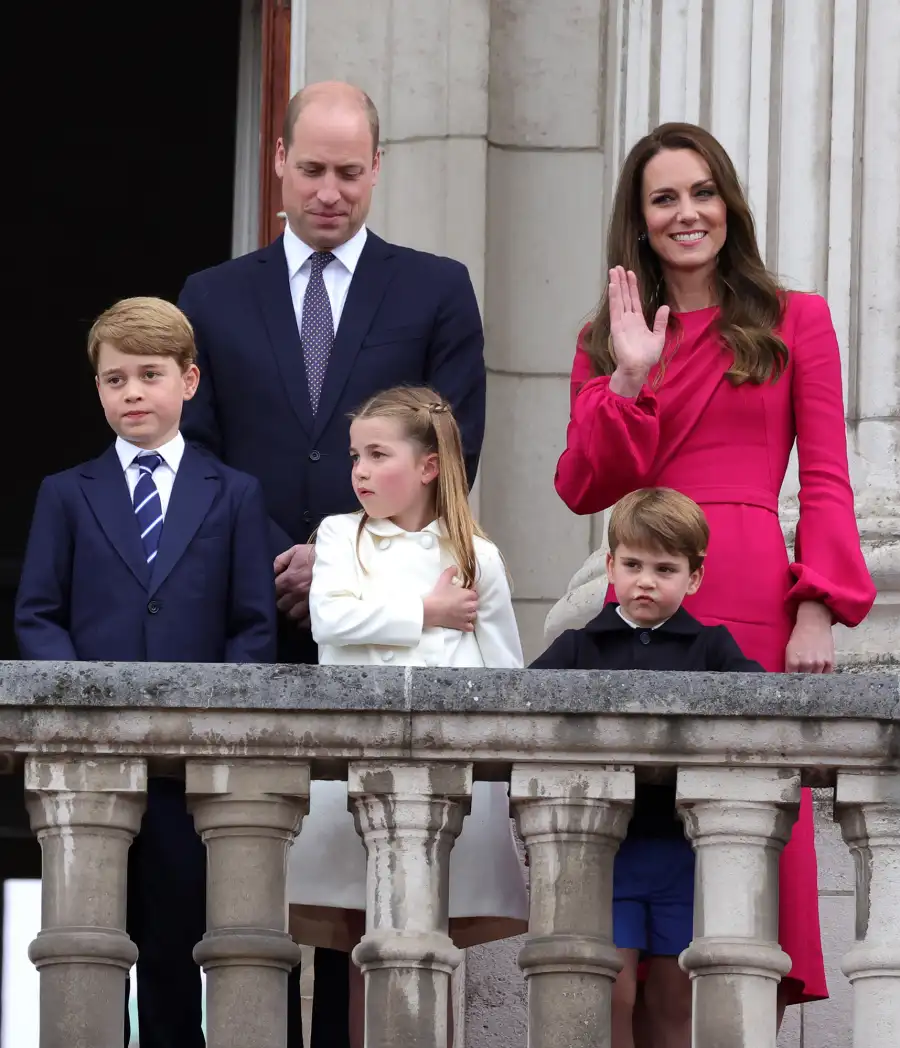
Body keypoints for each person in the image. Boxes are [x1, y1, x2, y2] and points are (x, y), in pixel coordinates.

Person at [177, 81, 486, 1044]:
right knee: (251, 878)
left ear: (378, 169)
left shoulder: (434, 287)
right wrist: (281, 558)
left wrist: (343, 562)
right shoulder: (212, 297)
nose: (328, 191)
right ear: (277, 161)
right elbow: (201, 454)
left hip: (394, 622)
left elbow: (455, 443)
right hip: (250, 614)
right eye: (310, 169)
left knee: (373, 883)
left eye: (350, 173)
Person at [554, 122, 877, 1031]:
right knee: (644, 837)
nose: (687, 213)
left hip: (752, 596)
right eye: (664, 198)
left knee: (748, 840)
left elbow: (824, 478)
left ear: (727, 202)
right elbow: (585, 483)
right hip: (645, 593)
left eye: (702, 192)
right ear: (640, 220)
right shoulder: (605, 336)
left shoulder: (794, 317)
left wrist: (817, 606)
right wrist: (628, 377)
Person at [15, 297, 276, 1048]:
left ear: (189, 381)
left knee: (175, 945)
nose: (131, 392)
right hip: (94, 767)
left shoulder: (235, 493)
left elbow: (253, 625)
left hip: (189, 775)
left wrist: (215, 725)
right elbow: (38, 612)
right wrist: (79, 708)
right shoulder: (67, 493)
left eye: (150, 375)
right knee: (89, 943)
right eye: (114, 379)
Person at [288, 386, 528, 1048]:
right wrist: (427, 611)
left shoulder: (479, 556)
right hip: (356, 769)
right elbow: (330, 620)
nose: (360, 470)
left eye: (377, 454)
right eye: (354, 456)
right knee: (367, 938)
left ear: (427, 466)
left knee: (435, 945)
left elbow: (505, 672)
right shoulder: (341, 535)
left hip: (451, 777)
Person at [531, 488, 764, 1048]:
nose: (646, 581)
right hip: (603, 853)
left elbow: (765, 707)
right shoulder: (578, 647)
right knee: (607, 990)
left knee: (672, 997)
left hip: (682, 852)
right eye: (633, 564)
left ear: (695, 577)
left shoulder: (712, 649)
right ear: (609, 565)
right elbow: (518, 706)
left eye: (665, 569)